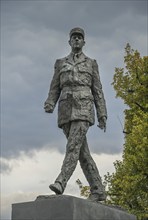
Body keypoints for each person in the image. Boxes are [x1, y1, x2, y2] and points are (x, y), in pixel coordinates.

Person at [44, 27, 107, 202]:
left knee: (73, 146)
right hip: (65, 111)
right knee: (81, 152)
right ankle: (98, 189)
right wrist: (50, 102)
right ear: (69, 41)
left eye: (80, 38)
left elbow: (98, 90)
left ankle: (61, 181)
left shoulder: (91, 63)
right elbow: (54, 87)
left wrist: (102, 114)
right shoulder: (60, 63)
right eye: (74, 38)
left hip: (84, 109)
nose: (77, 40)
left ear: (84, 42)